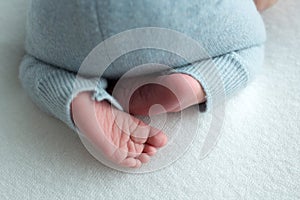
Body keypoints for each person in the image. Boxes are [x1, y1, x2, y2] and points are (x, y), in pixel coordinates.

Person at [19, 0, 277, 168]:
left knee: (36, 66)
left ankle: (77, 95)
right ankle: (194, 81)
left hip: (69, 19)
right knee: (251, 50)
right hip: (176, 19)